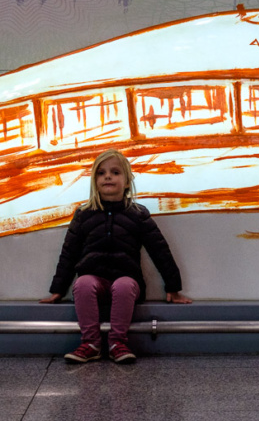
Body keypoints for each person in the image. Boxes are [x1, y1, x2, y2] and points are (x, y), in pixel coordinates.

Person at [40, 149, 191, 363]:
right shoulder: (83, 215)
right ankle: (91, 343)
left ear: (127, 181)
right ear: (94, 181)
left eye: (115, 172)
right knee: (82, 283)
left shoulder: (138, 214)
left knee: (123, 285)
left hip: (127, 283)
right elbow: (69, 253)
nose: (108, 176)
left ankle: (117, 343)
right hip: (94, 282)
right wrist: (57, 290)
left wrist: (173, 288)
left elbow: (160, 251)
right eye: (101, 173)